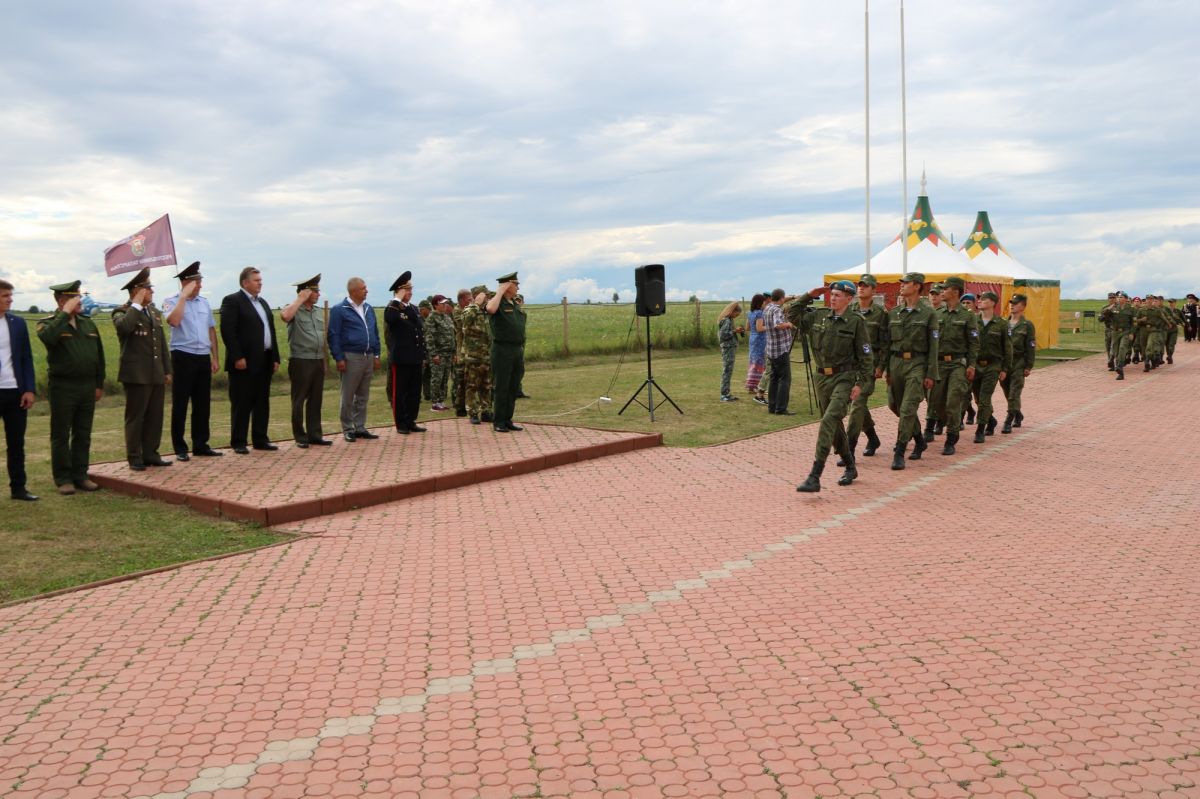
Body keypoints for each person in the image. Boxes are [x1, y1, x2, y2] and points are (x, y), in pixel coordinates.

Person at [789, 282, 873, 492]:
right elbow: (791, 315)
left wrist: (860, 384)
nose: (833, 298)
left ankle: (815, 475)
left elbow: (866, 357)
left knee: (828, 419)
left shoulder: (856, 322)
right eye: (832, 294)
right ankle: (850, 466)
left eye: (838, 295)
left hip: (843, 377)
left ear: (849, 299)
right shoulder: (819, 316)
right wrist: (808, 294)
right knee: (834, 425)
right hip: (822, 378)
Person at [112, 268, 173, 471]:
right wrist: (136, 304)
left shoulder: (154, 312)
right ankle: (134, 456)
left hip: (155, 372)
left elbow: (161, 343)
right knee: (136, 417)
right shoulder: (122, 312)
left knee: (155, 416)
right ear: (136, 291)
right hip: (136, 374)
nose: (152, 291)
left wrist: (167, 369)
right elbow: (124, 328)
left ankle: (151, 453)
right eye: (147, 288)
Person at [162, 261, 221, 461]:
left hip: (202, 356)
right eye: (197, 282)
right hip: (183, 356)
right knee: (180, 403)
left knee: (202, 404)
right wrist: (183, 298)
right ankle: (180, 447)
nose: (200, 286)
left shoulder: (204, 302)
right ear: (186, 282)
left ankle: (201, 444)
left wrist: (215, 357)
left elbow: (211, 330)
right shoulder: (171, 301)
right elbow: (174, 321)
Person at [220, 266, 281, 454]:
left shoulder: (262, 302)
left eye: (260, 280)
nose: (260, 283)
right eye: (256, 280)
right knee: (242, 402)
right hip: (244, 361)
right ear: (245, 282)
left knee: (262, 401)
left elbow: (270, 331)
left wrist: (275, 356)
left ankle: (260, 439)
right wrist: (238, 356)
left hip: (265, 358)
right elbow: (228, 332)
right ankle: (239, 441)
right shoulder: (232, 301)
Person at [885, 273, 939, 470]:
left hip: (917, 363)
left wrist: (931, 373)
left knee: (908, 408)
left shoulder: (929, 314)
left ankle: (900, 451)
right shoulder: (894, 313)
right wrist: (885, 369)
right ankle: (918, 438)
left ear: (917, 286)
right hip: (896, 363)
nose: (902, 286)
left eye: (906, 283)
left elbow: (934, 346)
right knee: (895, 406)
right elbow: (887, 344)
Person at [926, 276, 978, 457]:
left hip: (957, 363)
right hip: (939, 363)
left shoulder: (968, 315)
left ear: (955, 291)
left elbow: (973, 343)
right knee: (935, 402)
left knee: (953, 402)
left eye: (945, 289)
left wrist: (971, 365)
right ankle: (945, 422)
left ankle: (951, 438)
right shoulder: (937, 314)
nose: (941, 292)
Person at [327, 277, 381, 442]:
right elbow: (333, 335)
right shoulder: (339, 309)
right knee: (348, 394)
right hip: (351, 356)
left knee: (363, 395)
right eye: (363, 288)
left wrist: (377, 354)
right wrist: (339, 357)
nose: (367, 291)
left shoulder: (368, 308)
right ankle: (348, 428)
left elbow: (375, 332)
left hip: (368, 355)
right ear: (354, 291)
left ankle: (360, 427)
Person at [281, 274, 331, 447]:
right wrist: (299, 300)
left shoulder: (319, 312)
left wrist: (325, 361)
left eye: (318, 291)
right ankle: (300, 436)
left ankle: (315, 434)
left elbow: (325, 338)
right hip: (301, 360)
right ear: (304, 292)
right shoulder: (293, 308)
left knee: (316, 400)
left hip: (317, 359)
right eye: (314, 291)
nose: (318, 294)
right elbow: (285, 316)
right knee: (299, 399)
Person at [0, 280, 38, 501]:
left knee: (16, 443)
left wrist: (29, 389)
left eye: (10, 295)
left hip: (14, 392)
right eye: (5, 295)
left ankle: (19, 488)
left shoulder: (17, 323)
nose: (10, 299)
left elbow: (26, 359)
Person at [843, 275, 887, 459]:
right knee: (858, 405)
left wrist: (881, 366)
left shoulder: (881, 314)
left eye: (866, 286)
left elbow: (885, 343)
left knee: (857, 403)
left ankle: (849, 449)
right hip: (848, 366)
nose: (861, 288)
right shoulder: (848, 309)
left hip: (868, 365)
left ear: (873, 290)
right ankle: (873, 437)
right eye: (859, 285)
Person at [384, 272, 427, 433]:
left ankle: (411, 420)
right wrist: (397, 299)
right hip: (401, 358)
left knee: (414, 392)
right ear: (399, 290)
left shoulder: (413, 308)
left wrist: (423, 355)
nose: (410, 292)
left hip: (415, 357)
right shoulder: (392, 307)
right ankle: (401, 423)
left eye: (411, 289)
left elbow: (419, 329)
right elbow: (390, 318)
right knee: (400, 392)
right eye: (407, 290)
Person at [969, 291, 1012, 443]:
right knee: (978, 399)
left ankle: (980, 429)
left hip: (992, 366)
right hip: (975, 365)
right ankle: (991, 419)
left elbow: (1007, 348)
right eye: (979, 299)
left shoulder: (1002, 324)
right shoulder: (973, 320)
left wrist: (1005, 369)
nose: (979, 301)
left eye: (984, 299)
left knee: (985, 397)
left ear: (993, 303)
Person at [486, 272, 526, 432]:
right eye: (515, 284)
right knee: (502, 386)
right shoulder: (497, 302)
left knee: (513, 386)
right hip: (502, 349)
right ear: (507, 285)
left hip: (517, 349)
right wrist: (500, 291)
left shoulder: (514, 303)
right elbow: (489, 308)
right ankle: (499, 421)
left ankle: (508, 419)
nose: (518, 287)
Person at [1001, 293, 1036, 433]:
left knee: (1014, 393)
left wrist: (1028, 365)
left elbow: (1031, 346)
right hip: (1005, 363)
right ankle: (1018, 414)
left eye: (1015, 303)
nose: (1012, 305)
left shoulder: (1027, 325)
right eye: (1011, 303)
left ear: (1023, 306)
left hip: (1018, 362)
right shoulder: (1004, 323)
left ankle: (1008, 420)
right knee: (1007, 391)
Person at [461, 285, 493, 425]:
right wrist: (476, 304)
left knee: (486, 385)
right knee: (472, 385)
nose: (487, 298)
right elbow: (466, 320)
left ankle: (486, 411)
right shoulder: (469, 310)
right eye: (484, 295)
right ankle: (473, 413)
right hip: (473, 356)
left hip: (487, 355)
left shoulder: (487, 312)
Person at [763, 288, 795, 415]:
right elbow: (778, 324)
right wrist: (788, 325)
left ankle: (772, 406)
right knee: (785, 379)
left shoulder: (767, 308)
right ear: (781, 298)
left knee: (774, 378)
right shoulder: (776, 309)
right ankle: (781, 408)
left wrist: (793, 297)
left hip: (771, 348)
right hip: (781, 349)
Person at [425, 295, 456, 411]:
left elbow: (452, 336)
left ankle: (441, 401)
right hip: (439, 353)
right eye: (442, 304)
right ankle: (435, 402)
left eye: (445, 303)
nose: (445, 305)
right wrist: (434, 354)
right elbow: (429, 337)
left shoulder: (447, 317)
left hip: (448, 353)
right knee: (437, 378)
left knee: (444, 378)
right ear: (435, 305)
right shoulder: (431, 318)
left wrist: (454, 352)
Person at [1103, 291, 1136, 380]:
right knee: (1115, 351)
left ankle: (1120, 367)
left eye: (1121, 297)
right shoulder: (1113, 308)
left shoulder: (1131, 309)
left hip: (1125, 332)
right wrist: (1108, 309)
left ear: (1125, 299)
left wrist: (1132, 333)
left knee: (1122, 349)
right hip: (1115, 332)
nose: (1119, 299)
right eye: (1118, 297)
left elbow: (1133, 323)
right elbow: (1102, 318)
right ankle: (1118, 367)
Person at [716, 301, 744, 402]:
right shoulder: (726, 320)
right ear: (732, 311)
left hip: (730, 348)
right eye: (736, 314)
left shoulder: (729, 320)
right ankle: (724, 394)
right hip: (728, 348)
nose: (736, 316)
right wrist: (735, 331)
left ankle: (726, 393)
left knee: (728, 370)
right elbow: (723, 335)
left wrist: (735, 330)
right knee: (727, 371)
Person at [451, 288, 472, 417]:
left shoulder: (467, 310)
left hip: (468, 350)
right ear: (462, 299)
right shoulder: (458, 312)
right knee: (460, 381)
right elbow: (465, 324)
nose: (471, 301)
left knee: (468, 380)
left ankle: (465, 405)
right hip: (461, 351)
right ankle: (459, 406)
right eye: (469, 299)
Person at [743, 294, 767, 404]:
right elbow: (759, 328)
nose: (765, 304)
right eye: (764, 302)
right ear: (760, 303)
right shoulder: (759, 313)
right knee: (760, 362)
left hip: (752, 339)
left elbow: (747, 328)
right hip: (760, 340)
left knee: (753, 362)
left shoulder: (750, 313)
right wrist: (771, 326)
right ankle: (758, 386)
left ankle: (751, 386)